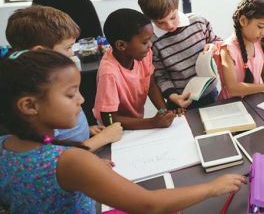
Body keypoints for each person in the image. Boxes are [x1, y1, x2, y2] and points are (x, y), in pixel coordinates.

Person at [0, 49, 246, 213]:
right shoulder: (70, 161)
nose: (82, 100)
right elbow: (149, 205)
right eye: (71, 93)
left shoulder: (5, 144)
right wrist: (213, 187)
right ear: (30, 105)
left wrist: (87, 172)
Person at [5, 5, 122, 151]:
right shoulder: (41, 95)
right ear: (41, 52)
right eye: (68, 47)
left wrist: (86, 130)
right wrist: (104, 138)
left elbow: (61, 136)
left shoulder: (50, 85)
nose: (72, 53)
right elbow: (55, 150)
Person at [138, 0, 222, 111]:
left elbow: (217, 41)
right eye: (160, 23)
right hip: (179, 100)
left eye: (173, 17)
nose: (170, 25)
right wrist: (173, 97)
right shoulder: (153, 41)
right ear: (151, 20)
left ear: (177, 6)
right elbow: (160, 75)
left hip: (209, 92)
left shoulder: (198, 22)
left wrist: (213, 46)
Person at [94, 9, 174, 130]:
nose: (150, 45)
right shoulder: (109, 73)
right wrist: (152, 123)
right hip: (114, 130)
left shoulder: (145, 55)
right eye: (145, 42)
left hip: (137, 123)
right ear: (121, 45)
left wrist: (165, 111)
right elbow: (108, 119)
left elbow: (151, 86)